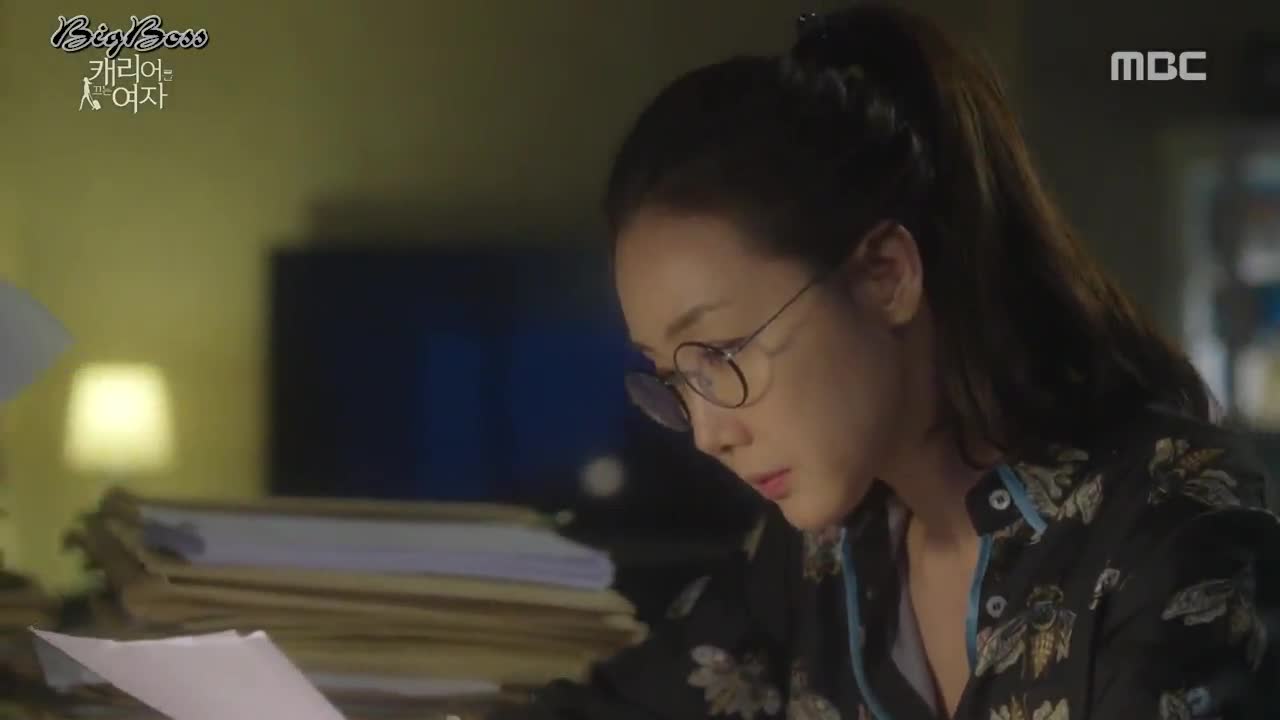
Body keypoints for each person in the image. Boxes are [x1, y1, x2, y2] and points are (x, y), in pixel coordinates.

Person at [495, 4, 1280, 719]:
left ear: (885, 276)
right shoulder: (825, 553)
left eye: (724, 354)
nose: (708, 433)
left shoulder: (1170, 524)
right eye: (676, 379)